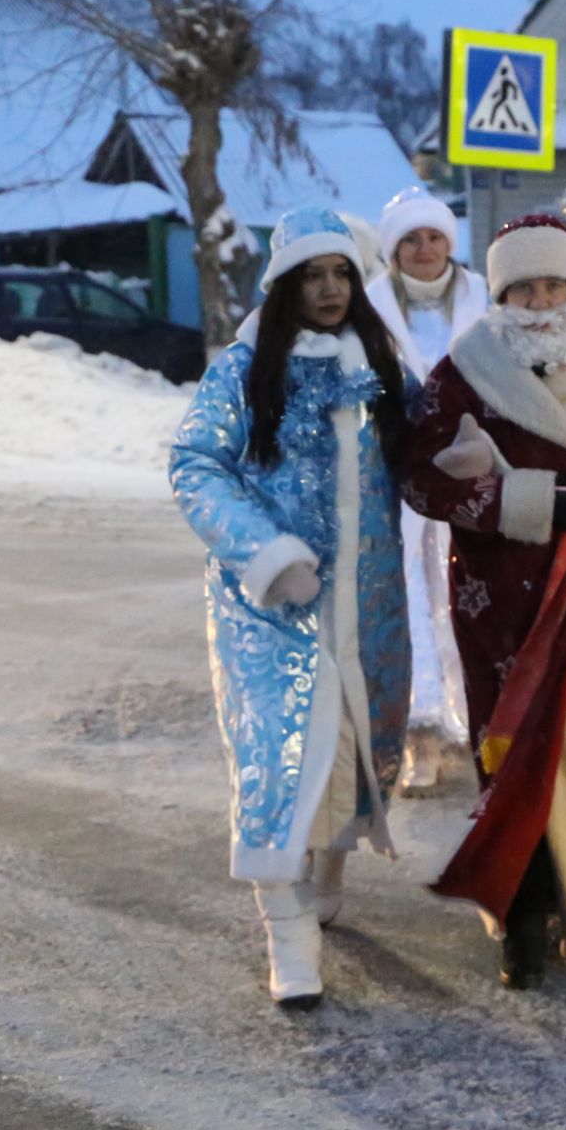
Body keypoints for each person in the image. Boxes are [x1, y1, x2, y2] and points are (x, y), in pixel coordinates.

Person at [170, 207, 413, 1009]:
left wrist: (462, 458)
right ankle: (288, 933)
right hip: (269, 607)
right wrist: (268, 557)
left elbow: (423, 448)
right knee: (276, 760)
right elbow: (195, 466)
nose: (331, 289)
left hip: (365, 603)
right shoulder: (244, 369)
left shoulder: (376, 361)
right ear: (284, 285)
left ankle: (331, 866)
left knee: (358, 741)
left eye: (342, 272)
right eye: (313, 275)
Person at [402, 213, 566, 990]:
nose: (542, 300)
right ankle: (523, 912)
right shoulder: (461, 374)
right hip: (500, 598)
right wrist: (525, 500)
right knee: (515, 748)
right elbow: (421, 478)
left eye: (555, 285)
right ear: (500, 292)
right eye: (525, 287)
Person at [363, 186, 490, 794]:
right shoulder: (369, 311)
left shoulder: (483, 301)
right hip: (397, 481)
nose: (423, 249)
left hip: (472, 480)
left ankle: (480, 725)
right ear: (393, 248)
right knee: (409, 598)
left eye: (434, 237)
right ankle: (420, 736)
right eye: (410, 239)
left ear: (450, 242)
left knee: (471, 597)